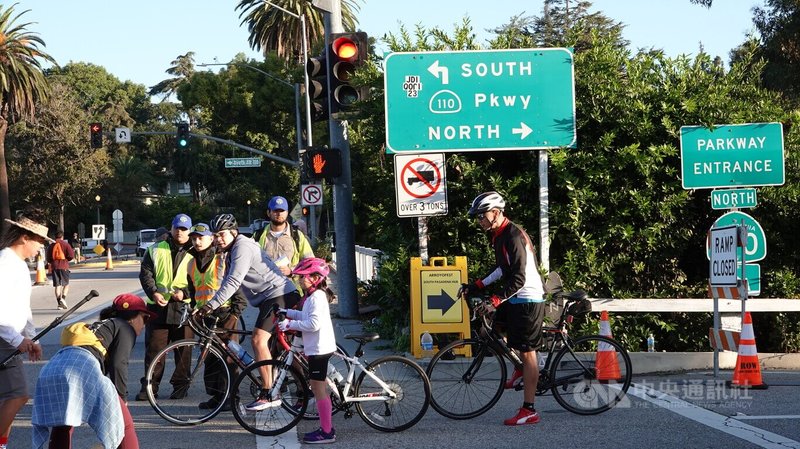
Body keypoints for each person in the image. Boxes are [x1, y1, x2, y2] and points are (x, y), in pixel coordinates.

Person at [197, 213, 300, 411]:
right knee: (280, 348)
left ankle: (268, 393)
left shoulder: (242, 247)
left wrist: (210, 306)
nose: (218, 239)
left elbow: (234, 281)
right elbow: (224, 283)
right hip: (268, 298)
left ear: (234, 232)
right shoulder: (229, 251)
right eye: (216, 235)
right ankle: (305, 390)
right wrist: (209, 304)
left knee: (258, 340)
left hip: (279, 294)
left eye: (222, 234)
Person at [461, 191, 546, 426]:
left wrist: (496, 300)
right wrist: (477, 285)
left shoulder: (513, 236)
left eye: (481, 216)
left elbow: (518, 278)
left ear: (495, 213)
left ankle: (529, 410)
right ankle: (520, 368)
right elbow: (501, 269)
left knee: (528, 353)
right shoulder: (498, 234)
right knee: (490, 331)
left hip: (528, 299)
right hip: (516, 298)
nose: (479, 221)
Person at [31, 293, 156, 449]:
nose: (145, 325)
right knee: (124, 424)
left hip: (53, 367)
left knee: (64, 422)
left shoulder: (102, 326)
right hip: (81, 367)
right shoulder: (125, 327)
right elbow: (118, 364)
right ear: (133, 317)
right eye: (145, 318)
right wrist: (122, 397)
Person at [185, 223, 247, 411]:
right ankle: (218, 395)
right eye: (194, 238)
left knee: (229, 358)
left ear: (211, 239)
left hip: (225, 313)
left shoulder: (223, 259)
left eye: (200, 238)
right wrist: (184, 295)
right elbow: (192, 288)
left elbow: (237, 288)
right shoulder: (191, 262)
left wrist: (235, 314)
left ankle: (231, 397)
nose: (197, 241)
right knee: (210, 357)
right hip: (205, 315)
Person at [0, 217, 49, 449]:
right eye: (40, 240)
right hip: (3, 338)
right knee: (18, 395)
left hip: (10, 337)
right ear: (24, 237)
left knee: (9, 397)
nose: (42, 246)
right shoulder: (5, 263)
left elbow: (22, 306)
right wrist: (17, 339)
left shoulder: (19, 264)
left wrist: (32, 337)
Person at [135, 213, 195, 401]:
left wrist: (185, 293)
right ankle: (149, 387)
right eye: (177, 228)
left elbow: (201, 281)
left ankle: (180, 386)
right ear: (171, 228)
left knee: (184, 351)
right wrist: (153, 292)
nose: (180, 232)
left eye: (184, 229)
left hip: (183, 308)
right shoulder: (155, 249)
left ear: (190, 231)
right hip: (158, 307)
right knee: (154, 350)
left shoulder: (196, 251)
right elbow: (146, 273)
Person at [277, 257, 337, 444]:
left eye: (303, 277)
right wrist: (287, 312)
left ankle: (327, 432)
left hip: (319, 348)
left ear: (315, 278)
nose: (299, 280)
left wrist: (289, 324)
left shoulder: (317, 297)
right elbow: (306, 315)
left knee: (319, 390)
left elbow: (313, 324)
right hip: (317, 347)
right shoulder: (313, 296)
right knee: (320, 387)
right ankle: (327, 428)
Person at [253, 196, 314, 277]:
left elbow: (310, 262)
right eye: (275, 211)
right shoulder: (258, 236)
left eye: (282, 211)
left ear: (287, 212)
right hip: (265, 287)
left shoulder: (297, 236)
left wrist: (292, 271)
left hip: (291, 287)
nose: (279, 214)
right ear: (268, 213)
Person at [46, 230, 75, 310]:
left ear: (55, 237)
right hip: (64, 266)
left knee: (57, 285)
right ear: (62, 237)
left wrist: (52, 262)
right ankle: (63, 299)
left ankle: (59, 303)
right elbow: (71, 255)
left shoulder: (51, 245)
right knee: (66, 284)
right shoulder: (65, 244)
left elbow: (48, 258)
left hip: (54, 267)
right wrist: (67, 260)